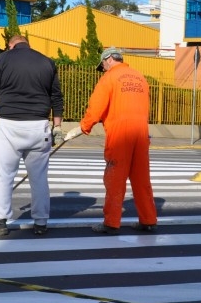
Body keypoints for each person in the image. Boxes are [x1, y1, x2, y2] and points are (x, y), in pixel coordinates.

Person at [66, 47, 157, 235]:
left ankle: (111, 222)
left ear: (108, 59)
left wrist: (84, 127)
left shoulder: (109, 78)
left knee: (115, 178)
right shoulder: (140, 77)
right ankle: (148, 220)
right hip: (141, 132)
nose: (104, 68)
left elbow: (96, 106)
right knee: (141, 179)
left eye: (103, 64)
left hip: (120, 133)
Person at [0, 35, 64, 237]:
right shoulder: (47, 61)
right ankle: (41, 222)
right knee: (39, 178)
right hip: (39, 126)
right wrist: (57, 126)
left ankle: (0, 221)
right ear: (28, 45)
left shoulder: (3, 59)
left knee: (4, 175)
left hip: (10, 125)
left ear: (11, 45)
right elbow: (56, 96)